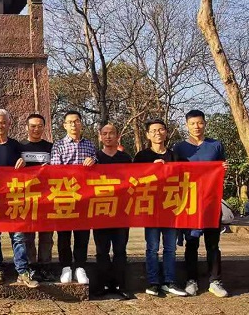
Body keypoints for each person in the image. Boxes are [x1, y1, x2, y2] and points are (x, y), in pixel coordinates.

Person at [0, 109, 38, 288]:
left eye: (3, 122)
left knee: (18, 236)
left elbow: (26, 170)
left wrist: (23, 163)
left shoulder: (16, 146)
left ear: (9, 124)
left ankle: (22, 271)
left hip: (13, 198)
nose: (0, 126)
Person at [172, 109, 229, 298]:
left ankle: (215, 281)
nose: (196, 127)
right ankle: (191, 280)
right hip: (190, 202)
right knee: (192, 243)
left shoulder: (216, 145)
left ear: (205, 123)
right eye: (192, 123)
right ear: (186, 125)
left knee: (213, 244)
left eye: (200, 123)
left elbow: (220, 169)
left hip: (211, 202)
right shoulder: (179, 148)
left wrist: (223, 169)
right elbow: (174, 173)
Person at [134, 119, 188, 297]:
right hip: (151, 209)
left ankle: (169, 281)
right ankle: (153, 282)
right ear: (148, 135)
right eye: (153, 131)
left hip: (171, 209)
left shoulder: (175, 156)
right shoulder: (141, 157)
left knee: (170, 248)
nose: (157, 133)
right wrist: (151, 169)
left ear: (166, 132)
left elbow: (188, 178)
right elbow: (133, 180)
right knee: (152, 247)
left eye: (161, 130)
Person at [50, 110, 97, 285]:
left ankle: (80, 267)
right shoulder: (59, 145)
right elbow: (56, 169)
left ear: (81, 123)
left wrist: (93, 160)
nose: (73, 124)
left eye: (76, 121)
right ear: (64, 125)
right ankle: (65, 267)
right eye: (69, 122)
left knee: (82, 235)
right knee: (63, 235)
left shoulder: (90, 145)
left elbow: (97, 167)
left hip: (85, 198)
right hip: (65, 197)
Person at [92, 123, 132, 299]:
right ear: (100, 137)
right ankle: (103, 285)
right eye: (105, 133)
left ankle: (121, 285)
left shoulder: (126, 158)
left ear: (117, 136)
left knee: (120, 250)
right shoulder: (95, 158)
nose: (108, 136)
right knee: (102, 251)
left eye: (111, 133)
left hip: (121, 212)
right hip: (100, 210)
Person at [20, 113, 54, 282]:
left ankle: (45, 266)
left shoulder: (51, 147)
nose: (36, 129)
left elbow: (59, 169)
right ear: (27, 127)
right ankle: (31, 266)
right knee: (28, 236)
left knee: (47, 236)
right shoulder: (19, 147)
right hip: (26, 198)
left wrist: (51, 168)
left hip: (47, 197)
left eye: (40, 126)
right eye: (33, 126)